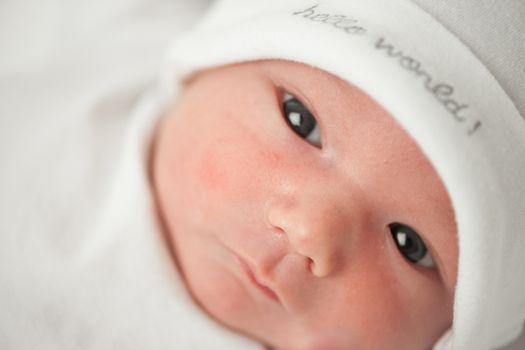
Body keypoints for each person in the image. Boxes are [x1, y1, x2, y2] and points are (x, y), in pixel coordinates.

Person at [1, 0, 524, 349]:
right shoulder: (74, 49)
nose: (310, 232)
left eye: (409, 244)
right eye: (301, 121)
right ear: (209, 61)